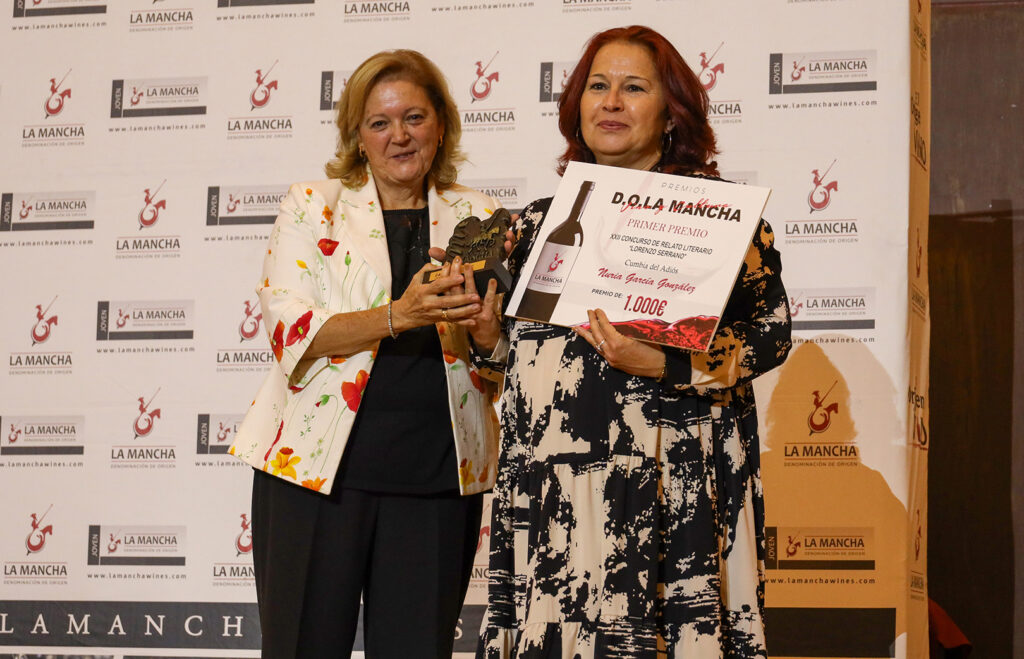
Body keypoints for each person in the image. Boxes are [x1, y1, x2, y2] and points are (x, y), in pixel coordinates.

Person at [476, 26, 792, 657]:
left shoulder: (722, 219)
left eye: (633, 87)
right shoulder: (533, 222)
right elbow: (518, 361)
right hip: (552, 494)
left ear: (670, 112)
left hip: (669, 487)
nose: (610, 102)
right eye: (597, 86)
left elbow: (771, 335)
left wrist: (671, 364)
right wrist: (487, 339)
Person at [229, 49, 505, 658]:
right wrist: (398, 316)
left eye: (414, 117)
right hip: (315, 479)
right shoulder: (312, 205)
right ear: (357, 135)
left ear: (442, 124)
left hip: (436, 479)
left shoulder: (482, 216)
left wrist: (488, 336)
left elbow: (501, 360)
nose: (399, 136)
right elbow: (292, 331)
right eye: (379, 122)